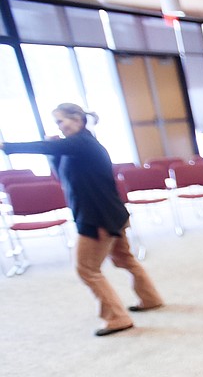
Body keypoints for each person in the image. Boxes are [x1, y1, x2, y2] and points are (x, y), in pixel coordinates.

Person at [0, 103, 165, 336]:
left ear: (77, 119)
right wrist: (53, 153)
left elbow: (43, 147)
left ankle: (117, 318)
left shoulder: (83, 143)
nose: (59, 127)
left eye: (61, 121)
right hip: (109, 213)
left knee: (86, 269)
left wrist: (6, 146)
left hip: (97, 216)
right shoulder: (76, 147)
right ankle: (150, 298)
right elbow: (61, 174)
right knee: (124, 259)